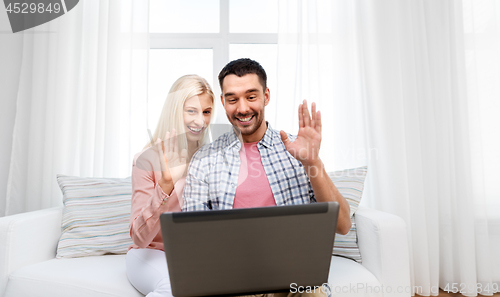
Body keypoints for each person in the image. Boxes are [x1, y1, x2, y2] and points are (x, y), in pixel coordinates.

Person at [182, 59, 352, 297]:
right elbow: (193, 241)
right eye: (232, 99)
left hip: (296, 277)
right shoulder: (205, 159)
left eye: (251, 96)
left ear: (266, 96)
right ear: (223, 102)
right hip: (234, 279)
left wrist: (313, 162)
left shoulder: (297, 150)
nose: (242, 108)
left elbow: (343, 225)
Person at [126, 74, 215, 297]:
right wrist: (166, 185)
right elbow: (139, 237)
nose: (200, 121)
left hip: (192, 256)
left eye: (206, 112)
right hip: (149, 253)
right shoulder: (147, 160)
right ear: (176, 111)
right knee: (173, 286)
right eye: (191, 111)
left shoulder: (211, 159)